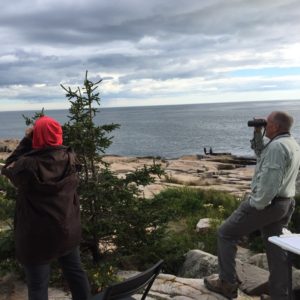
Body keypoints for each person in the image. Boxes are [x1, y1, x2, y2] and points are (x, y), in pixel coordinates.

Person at [204, 111, 300, 300]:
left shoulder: (277, 147)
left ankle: (227, 284)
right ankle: (280, 295)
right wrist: (257, 132)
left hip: (268, 204)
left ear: (275, 126)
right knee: (276, 247)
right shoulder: (290, 143)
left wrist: (254, 204)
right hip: (284, 203)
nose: (265, 124)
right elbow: (260, 152)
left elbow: (270, 183)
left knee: (226, 233)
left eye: (267, 122)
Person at [1, 115, 90, 300]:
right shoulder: (69, 157)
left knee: (38, 286)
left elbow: (7, 166)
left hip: (37, 239)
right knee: (76, 273)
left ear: (37, 136)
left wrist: (27, 140)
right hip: (67, 230)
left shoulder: (28, 165)